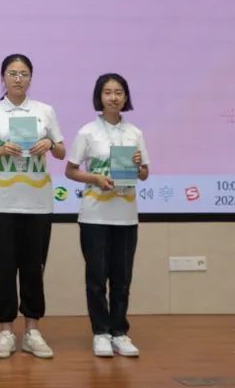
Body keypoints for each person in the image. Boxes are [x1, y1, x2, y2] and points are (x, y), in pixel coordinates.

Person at [0, 54, 65, 360]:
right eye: (12, 73)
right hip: (2, 201)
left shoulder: (44, 111)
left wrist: (50, 144)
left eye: (24, 73)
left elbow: (62, 151)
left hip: (38, 202)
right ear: (3, 77)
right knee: (4, 266)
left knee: (34, 267)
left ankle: (32, 330)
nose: (18, 78)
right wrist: (0, 149)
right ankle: (6, 330)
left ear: (31, 78)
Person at [65, 73, 150, 358]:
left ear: (126, 97)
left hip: (126, 216)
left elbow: (144, 174)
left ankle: (120, 333)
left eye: (119, 92)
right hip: (95, 216)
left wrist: (138, 166)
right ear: (99, 97)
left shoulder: (135, 133)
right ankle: (101, 333)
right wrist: (95, 178)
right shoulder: (88, 132)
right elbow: (71, 170)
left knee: (122, 278)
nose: (114, 97)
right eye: (108, 92)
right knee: (97, 278)